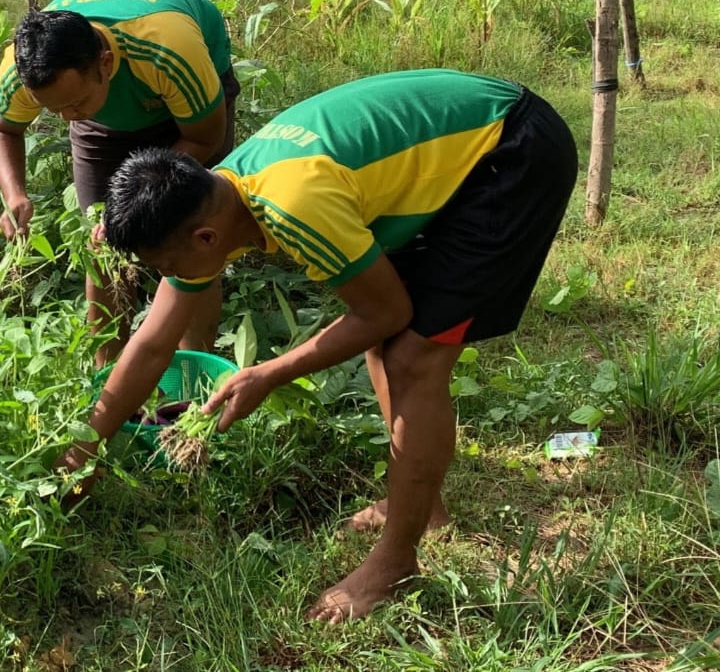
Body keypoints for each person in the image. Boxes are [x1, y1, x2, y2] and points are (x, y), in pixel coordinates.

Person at [60, 69, 577, 621]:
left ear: (204, 239)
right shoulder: (211, 199)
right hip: (447, 152)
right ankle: (423, 511)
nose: (167, 277)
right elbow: (152, 344)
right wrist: (84, 448)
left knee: (411, 355)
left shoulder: (292, 207)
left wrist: (270, 372)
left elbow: (386, 311)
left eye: (164, 267)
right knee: (386, 349)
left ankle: (395, 563)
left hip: (508, 153)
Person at [0, 0, 238, 364]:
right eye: (56, 110)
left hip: (186, 115)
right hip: (107, 119)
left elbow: (205, 137)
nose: (69, 118)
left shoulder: (167, 47)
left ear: (104, 63)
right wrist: (15, 194)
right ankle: (108, 373)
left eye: (76, 102)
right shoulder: (26, 68)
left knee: (189, 237)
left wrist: (136, 204)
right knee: (103, 247)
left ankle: (195, 372)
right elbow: (1, 128)